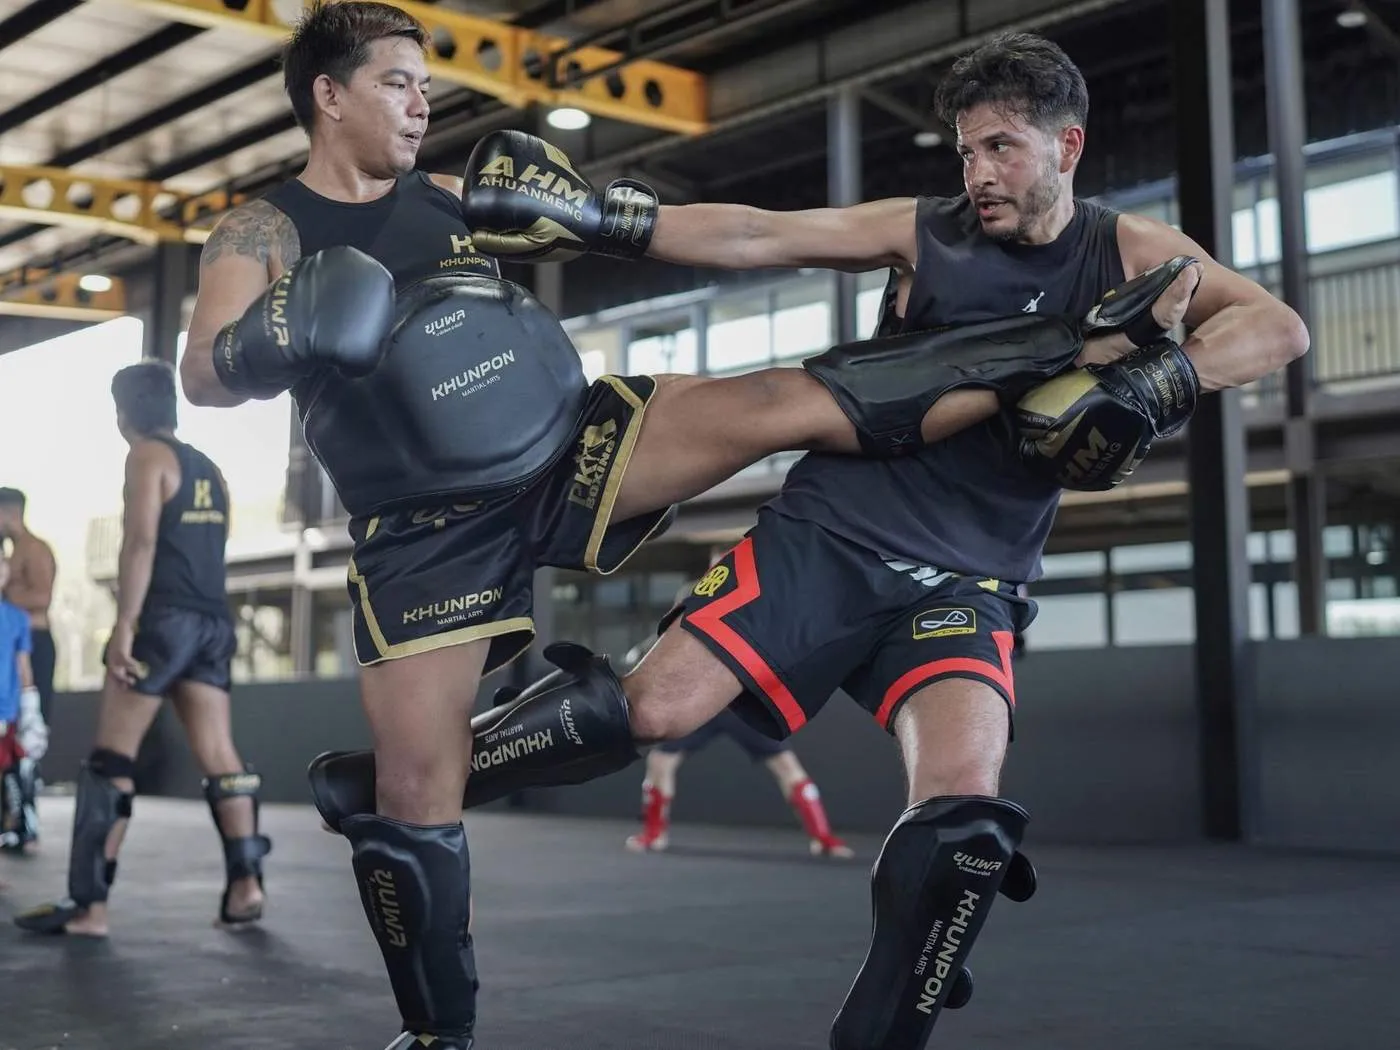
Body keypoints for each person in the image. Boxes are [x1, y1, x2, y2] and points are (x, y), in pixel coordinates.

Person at [310, 28, 1310, 1050]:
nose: (977, 174)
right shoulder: (926, 231)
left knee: (962, 822)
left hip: (974, 577)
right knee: (650, 708)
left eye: (1001, 148)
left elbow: (1275, 326)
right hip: (835, 535)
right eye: (966, 150)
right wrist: (602, 218)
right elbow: (758, 235)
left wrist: (1161, 379)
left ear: (1068, 145)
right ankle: (398, 782)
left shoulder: (1128, 250)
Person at [13, 360, 269, 938]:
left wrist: (125, 625)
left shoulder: (146, 456)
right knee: (220, 754)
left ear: (124, 411)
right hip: (211, 621)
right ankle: (247, 885)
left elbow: (141, 543)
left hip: (162, 620)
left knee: (112, 761)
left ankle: (90, 907)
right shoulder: (210, 468)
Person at [620, 626, 852, 858]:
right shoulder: (689, 624)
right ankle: (654, 834)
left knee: (788, 767)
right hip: (702, 708)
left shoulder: (747, 621)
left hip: (743, 709)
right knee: (660, 762)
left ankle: (823, 838)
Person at [0, 487, 56, 845]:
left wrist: (7, 595)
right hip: (10, 648)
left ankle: (26, 820)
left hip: (33, 645)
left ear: (8, 513)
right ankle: (11, 817)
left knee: (28, 736)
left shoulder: (35, 550)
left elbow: (43, 596)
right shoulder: (11, 553)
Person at [0, 552, 46, 853]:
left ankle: (22, 828)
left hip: (9, 710)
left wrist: (31, 708)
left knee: (18, 769)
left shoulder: (17, 618)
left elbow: (23, 665)